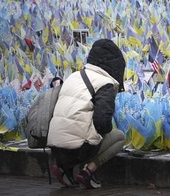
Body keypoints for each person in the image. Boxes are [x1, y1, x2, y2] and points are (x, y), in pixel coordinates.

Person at [47, 38, 127, 189]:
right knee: (119, 137)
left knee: (79, 127)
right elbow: (102, 123)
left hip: (55, 145)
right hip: (78, 148)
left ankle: (64, 167)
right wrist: (104, 132)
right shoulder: (105, 83)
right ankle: (88, 172)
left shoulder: (73, 76)